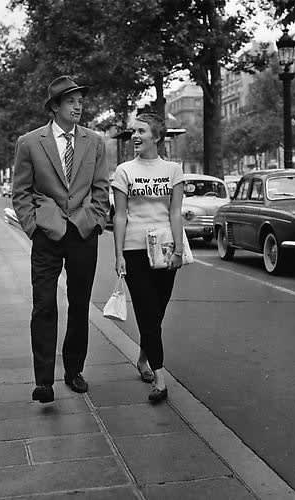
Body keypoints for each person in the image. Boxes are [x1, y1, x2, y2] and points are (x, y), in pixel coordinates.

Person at [13, 75, 109, 404]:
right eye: (71, 101)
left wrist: (94, 220)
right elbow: (21, 193)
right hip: (47, 234)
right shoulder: (29, 143)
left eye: (81, 100)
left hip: (82, 233)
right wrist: (33, 226)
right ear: (55, 107)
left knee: (80, 305)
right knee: (43, 305)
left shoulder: (95, 142)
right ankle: (44, 382)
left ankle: (74, 371)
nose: (79, 105)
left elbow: (100, 188)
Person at [112, 113, 184, 404]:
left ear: (157, 136)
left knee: (156, 313)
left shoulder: (173, 170)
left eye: (141, 131)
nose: (135, 136)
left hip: (165, 249)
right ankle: (160, 378)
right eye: (133, 131)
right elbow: (119, 215)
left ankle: (143, 359)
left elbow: (175, 212)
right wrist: (118, 254)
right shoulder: (124, 171)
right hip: (134, 249)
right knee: (146, 311)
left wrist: (179, 250)